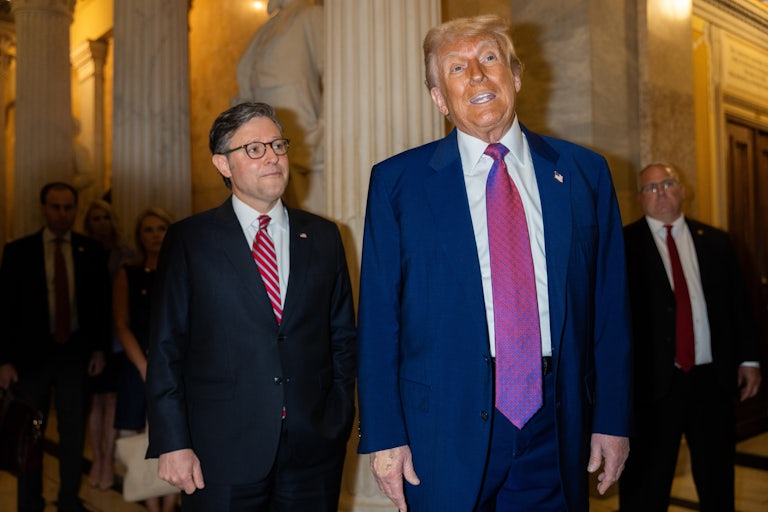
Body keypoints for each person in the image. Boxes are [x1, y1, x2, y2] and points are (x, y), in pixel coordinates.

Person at [356, 14, 632, 511]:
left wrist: (612, 419)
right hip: (440, 423)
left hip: (558, 418)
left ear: (516, 76)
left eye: (489, 59)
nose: (478, 77)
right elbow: (378, 319)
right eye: (457, 68)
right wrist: (384, 435)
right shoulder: (398, 183)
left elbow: (611, 309)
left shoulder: (584, 172)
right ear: (440, 98)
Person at [145, 101, 357, 512]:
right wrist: (173, 442)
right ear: (223, 165)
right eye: (254, 149)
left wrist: (338, 414)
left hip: (312, 450)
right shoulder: (191, 241)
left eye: (278, 145)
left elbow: (342, 336)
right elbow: (166, 348)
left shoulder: (325, 236)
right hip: (219, 453)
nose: (273, 157)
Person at [619, 162, 762, 512]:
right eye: (650, 188)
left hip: (710, 381)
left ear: (682, 190)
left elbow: (739, 305)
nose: (660, 192)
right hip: (650, 387)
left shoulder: (715, 241)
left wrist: (749, 359)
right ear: (640, 198)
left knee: (717, 482)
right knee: (646, 486)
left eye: (667, 183)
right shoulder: (622, 244)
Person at [0, 182, 111, 512]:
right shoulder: (19, 251)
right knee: (28, 432)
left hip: (74, 354)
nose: (63, 214)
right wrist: (4, 360)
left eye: (68, 207)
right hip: (29, 357)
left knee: (73, 432)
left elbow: (101, 307)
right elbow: (5, 309)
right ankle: (29, 503)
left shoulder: (90, 250)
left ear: (75, 209)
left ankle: (68, 501)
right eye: (56, 207)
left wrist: (99, 350)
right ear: (43, 208)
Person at [113, 207, 178, 512]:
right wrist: (143, 365)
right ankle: (153, 507)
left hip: (175, 364)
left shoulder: (181, 271)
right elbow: (121, 323)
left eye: (161, 228)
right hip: (137, 364)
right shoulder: (129, 272)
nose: (155, 235)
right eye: (149, 229)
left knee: (174, 431)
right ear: (140, 236)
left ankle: (170, 503)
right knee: (140, 436)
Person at [234, 0, 324, 211]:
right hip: (262, 137)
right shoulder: (265, 29)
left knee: (311, 212)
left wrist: (324, 127)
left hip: (304, 134)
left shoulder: (310, 15)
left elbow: (333, 72)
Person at [82, 199, 134, 491]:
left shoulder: (124, 252)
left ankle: (107, 459)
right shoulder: (83, 250)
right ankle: (98, 456)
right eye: (95, 217)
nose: (101, 222)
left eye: (105, 217)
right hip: (90, 337)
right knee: (95, 401)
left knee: (112, 399)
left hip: (117, 336)